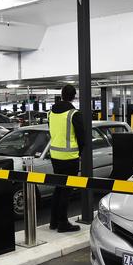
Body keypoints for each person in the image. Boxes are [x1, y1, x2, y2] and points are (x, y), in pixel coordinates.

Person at [48, 85, 85, 233]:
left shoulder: (51, 113)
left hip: (55, 155)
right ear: (74, 96)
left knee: (58, 188)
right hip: (69, 157)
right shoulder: (73, 114)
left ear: (62, 95)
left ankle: (53, 221)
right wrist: (79, 153)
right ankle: (63, 222)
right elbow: (82, 137)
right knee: (66, 191)